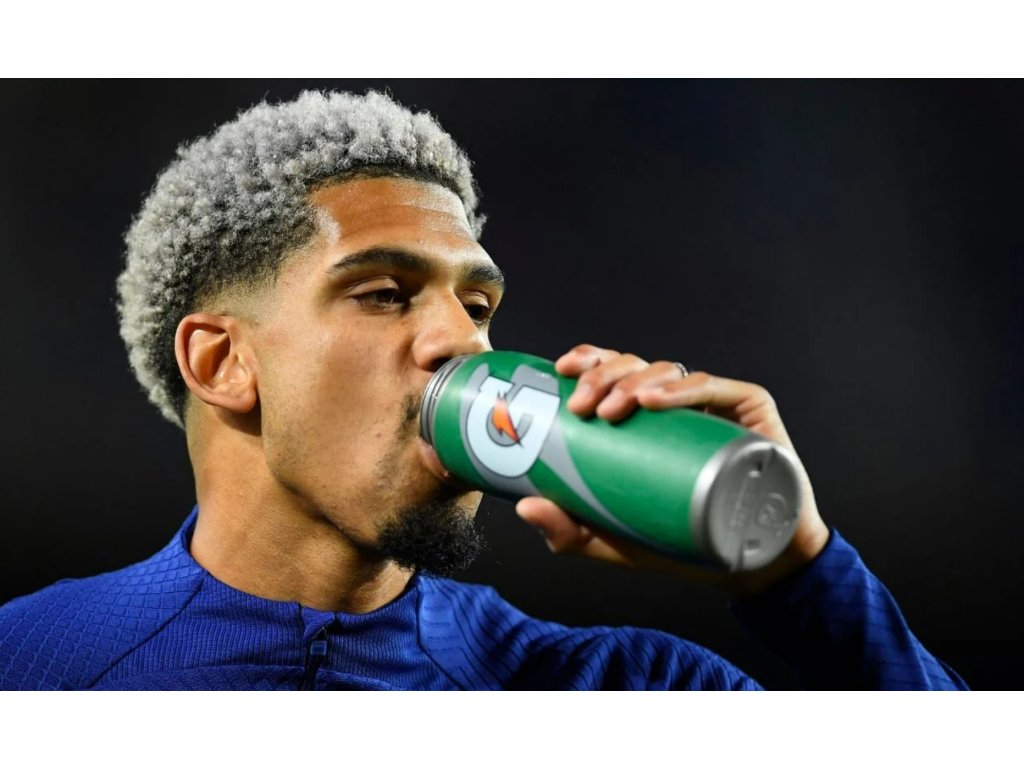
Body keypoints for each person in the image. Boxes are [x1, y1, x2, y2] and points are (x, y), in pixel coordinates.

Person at [0, 90, 966, 690]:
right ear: (222, 363)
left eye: (477, 305)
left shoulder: (624, 693)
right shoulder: (33, 666)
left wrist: (797, 573)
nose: (460, 341)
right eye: (384, 294)